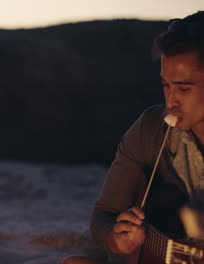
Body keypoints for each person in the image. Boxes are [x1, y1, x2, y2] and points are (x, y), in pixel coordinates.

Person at [63, 10, 204, 264]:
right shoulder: (150, 129)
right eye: (165, 85)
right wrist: (114, 239)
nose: (171, 100)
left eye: (183, 88)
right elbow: (104, 215)